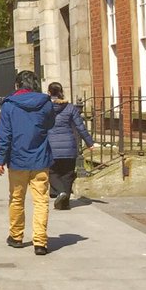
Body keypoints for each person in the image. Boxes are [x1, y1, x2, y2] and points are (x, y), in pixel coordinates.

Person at [0, 70, 55, 255]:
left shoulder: (9, 105)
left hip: (17, 159)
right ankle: (40, 241)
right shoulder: (45, 103)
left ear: (17, 85)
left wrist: (0, 159)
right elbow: (50, 124)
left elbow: (5, 135)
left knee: (16, 199)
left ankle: (16, 236)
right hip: (40, 158)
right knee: (41, 201)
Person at [47, 82, 93, 210]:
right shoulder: (70, 107)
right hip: (69, 145)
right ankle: (65, 203)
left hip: (51, 146)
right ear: (61, 92)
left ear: (49, 92)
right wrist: (89, 142)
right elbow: (80, 127)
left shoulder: (45, 108)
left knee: (52, 172)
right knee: (68, 174)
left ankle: (61, 192)